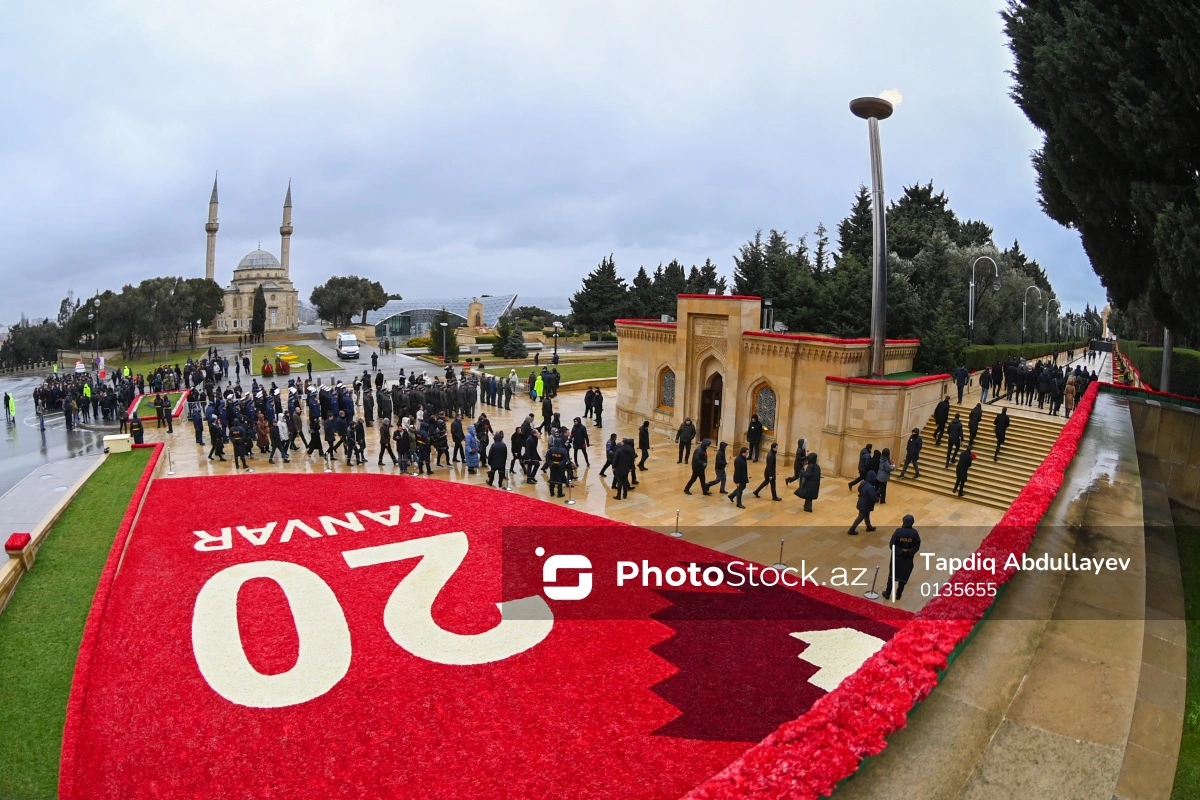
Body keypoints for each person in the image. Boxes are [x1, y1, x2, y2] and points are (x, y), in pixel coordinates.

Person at [882, 515, 921, 601]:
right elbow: (916, 546)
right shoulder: (915, 533)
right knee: (903, 577)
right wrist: (908, 552)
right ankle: (898, 594)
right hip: (908, 559)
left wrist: (900, 551)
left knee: (892, 576)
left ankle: (887, 593)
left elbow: (892, 544)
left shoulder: (898, 531)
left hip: (897, 558)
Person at [848, 470, 879, 535]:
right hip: (866, 504)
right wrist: (877, 499)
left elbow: (859, 489)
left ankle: (869, 527)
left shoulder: (863, 482)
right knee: (861, 517)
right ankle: (851, 529)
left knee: (866, 515)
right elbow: (873, 497)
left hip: (861, 501)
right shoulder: (871, 487)